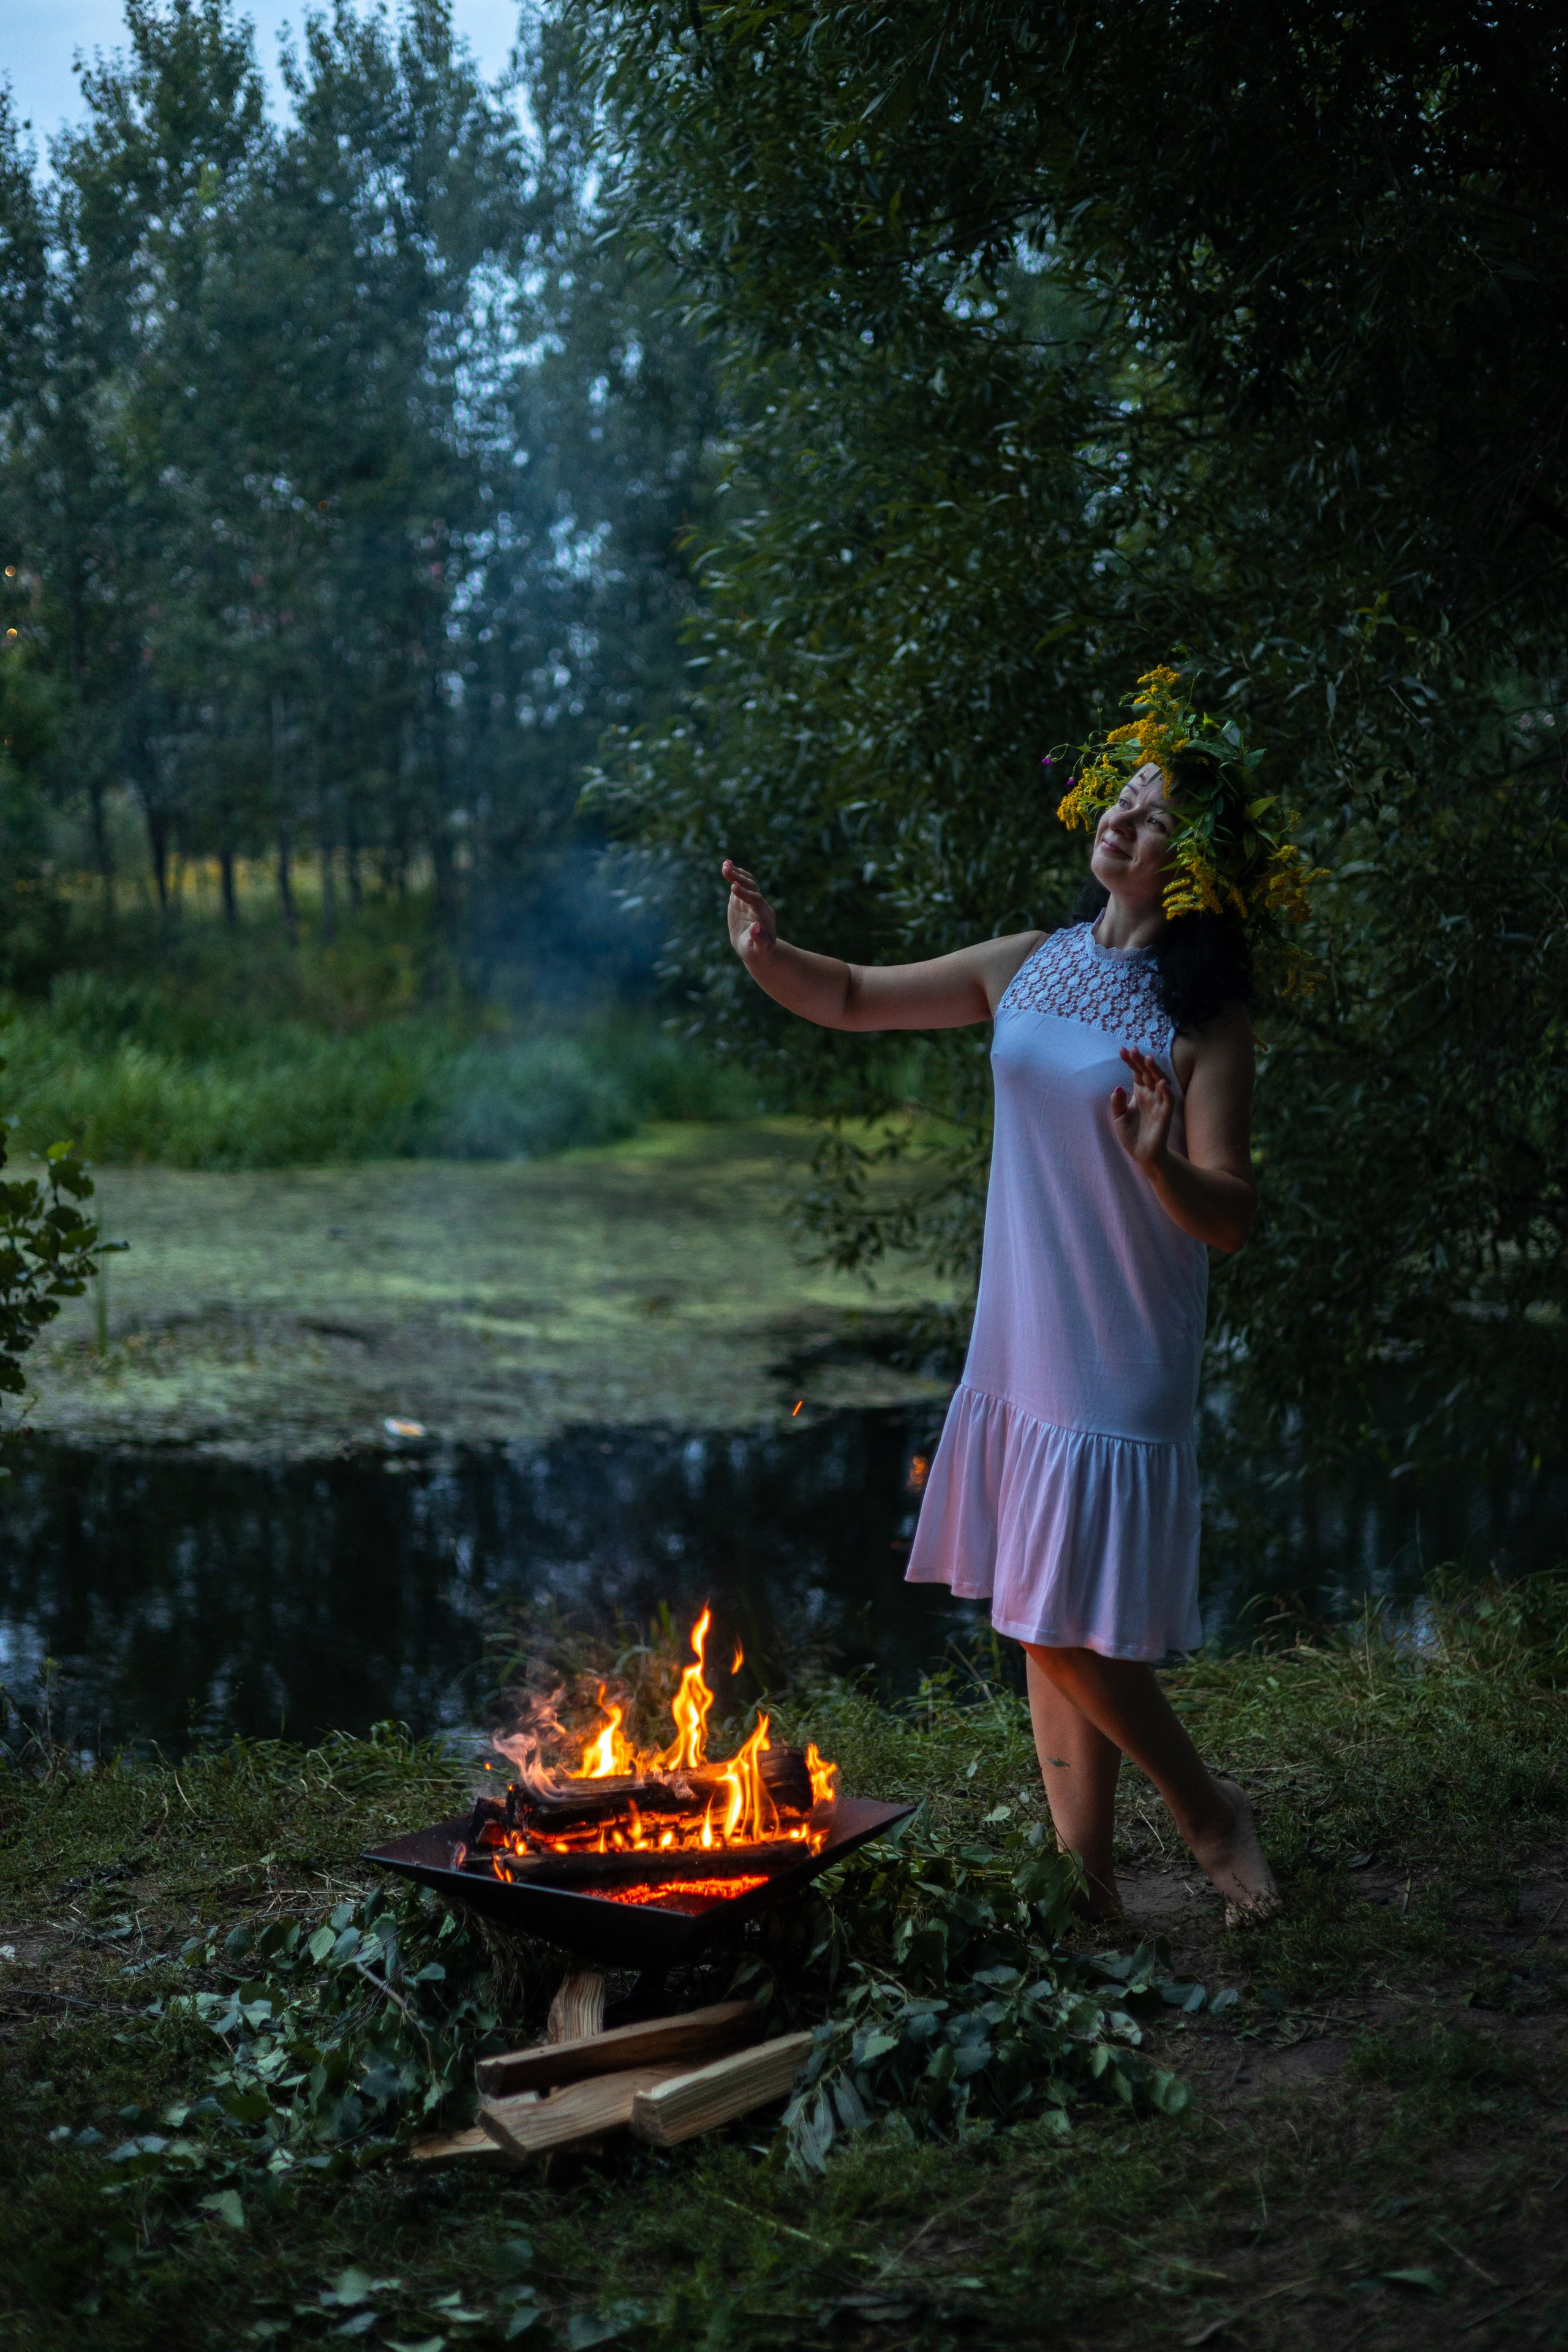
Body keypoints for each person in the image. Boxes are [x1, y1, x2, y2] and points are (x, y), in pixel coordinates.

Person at [722, 666, 1321, 1924]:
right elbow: (851, 995)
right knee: (1040, 1614)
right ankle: (1084, 1883)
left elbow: (1235, 1214)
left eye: (1156, 817)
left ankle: (1206, 1813)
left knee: (1053, 1618)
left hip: (1120, 1344)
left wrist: (1159, 1166)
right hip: (1022, 1335)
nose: (1122, 818)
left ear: (1196, 868)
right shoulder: (1030, 963)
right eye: (1124, 796)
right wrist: (768, 955)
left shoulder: (1204, 1018)